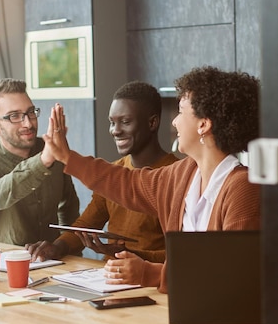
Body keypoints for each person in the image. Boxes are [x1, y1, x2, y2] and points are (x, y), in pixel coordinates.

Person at [42, 66, 261, 293]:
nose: (174, 122)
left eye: (181, 111)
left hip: (224, 321)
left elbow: (234, 272)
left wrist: (150, 273)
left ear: (203, 124)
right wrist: (67, 157)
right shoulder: (182, 174)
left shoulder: (242, 188)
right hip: (184, 306)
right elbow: (126, 183)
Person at [27, 81, 179, 263]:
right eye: (112, 122)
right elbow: (86, 224)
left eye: (125, 121)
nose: (115, 131)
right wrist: (56, 247)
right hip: (110, 276)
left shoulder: (175, 176)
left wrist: (128, 253)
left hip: (152, 281)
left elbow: (180, 254)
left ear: (152, 122)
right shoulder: (112, 172)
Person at [0, 78, 79, 246]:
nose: (28, 123)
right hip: (5, 264)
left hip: (56, 263)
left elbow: (69, 208)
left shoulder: (50, 148)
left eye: (31, 112)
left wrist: (66, 246)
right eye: (14, 116)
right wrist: (43, 160)